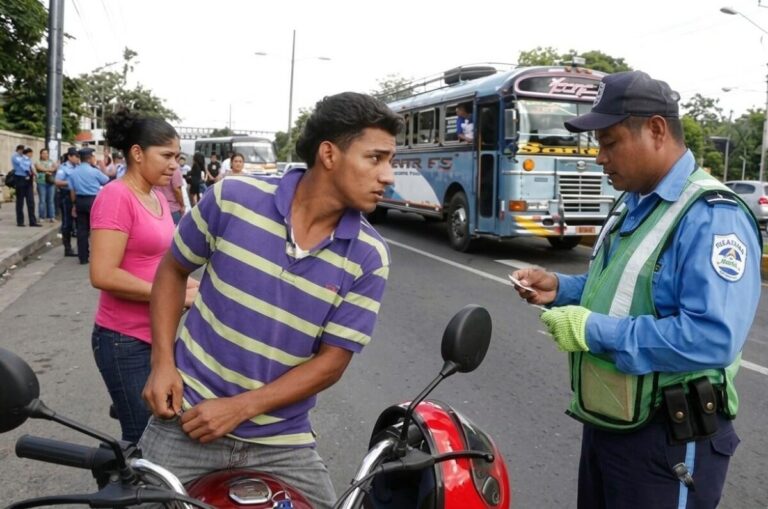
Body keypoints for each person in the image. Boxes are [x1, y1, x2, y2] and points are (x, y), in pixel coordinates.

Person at [510, 71, 762, 509]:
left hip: (669, 438)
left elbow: (713, 337)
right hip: (613, 421)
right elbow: (624, 288)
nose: (599, 158)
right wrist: (562, 289)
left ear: (657, 130)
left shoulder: (711, 215)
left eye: (609, 143)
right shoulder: (633, 202)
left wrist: (593, 332)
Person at [140, 91, 403, 509]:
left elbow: (332, 362)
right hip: (184, 424)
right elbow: (173, 270)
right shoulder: (233, 199)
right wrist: (162, 364)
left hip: (284, 444)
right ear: (329, 154)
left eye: (390, 161)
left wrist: (240, 408)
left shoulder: (370, 257)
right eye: (376, 158)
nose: (388, 175)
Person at [89, 109, 199, 443]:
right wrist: (170, 296)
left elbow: (161, 266)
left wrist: (200, 291)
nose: (174, 165)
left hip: (157, 337)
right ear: (137, 153)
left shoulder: (158, 198)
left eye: (177, 157)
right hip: (123, 339)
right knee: (145, 440)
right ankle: (112, 488)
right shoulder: (116, 196)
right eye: (166, 155)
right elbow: (103, 274)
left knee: (159, 433)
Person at [68, 147, 109, 264]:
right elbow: (106, 180)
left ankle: (83, 257)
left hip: (80, 200)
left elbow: (72, 191)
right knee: (97, 229)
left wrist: (74, 205)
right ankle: (99, 256)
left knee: (82, 230)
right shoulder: (94, 171)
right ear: (90, 158)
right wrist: (102, 167)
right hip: (94, 201)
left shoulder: (73, 172)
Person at [55, 147, 80, 256]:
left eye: (78, 156)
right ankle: (67, 248)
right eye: (75, 156)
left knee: (78, 223)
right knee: (67, 222)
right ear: (69, 156)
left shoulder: (78, 167)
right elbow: (57, 182)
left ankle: (81, 248)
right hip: (66, 196)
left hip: (77, 196)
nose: (77, 158)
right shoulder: (63, 168)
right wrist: (71, 182)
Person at [14, 147, 41, 227]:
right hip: (21, 181)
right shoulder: (20, 159)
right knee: (20, 202)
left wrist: (36, 175)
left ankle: (32, 221)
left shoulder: (29, 160)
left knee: (30, 202)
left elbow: (32, 169)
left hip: (28, 182)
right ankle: (20, 221)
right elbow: (25, 168)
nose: (32, 155)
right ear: (27, 153)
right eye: (31, 153)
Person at [35, 148, 58, 223]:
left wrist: (45, 170)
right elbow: (38, 167)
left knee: (51, 200)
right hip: (41, 182)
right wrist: (49, 170)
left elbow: (55, 168)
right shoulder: (38, 161)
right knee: (42, 200)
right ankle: (42, 216)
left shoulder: (51, 161)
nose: (45, 154)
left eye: (46, 153)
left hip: (50, 183)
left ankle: (52, 216)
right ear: (40, 154)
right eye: (43, 153)